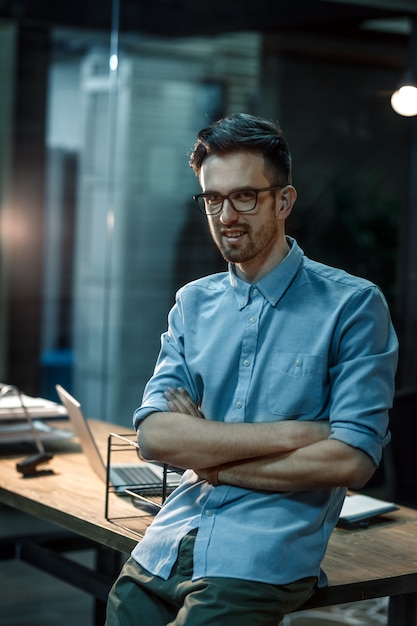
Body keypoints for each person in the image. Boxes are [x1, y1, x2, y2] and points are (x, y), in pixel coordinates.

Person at [105, 113, 398, 626]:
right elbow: (154, 435)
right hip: (167, 542)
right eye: (212, 199)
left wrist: (210, 458)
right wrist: (296, 432)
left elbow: (350, 460)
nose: (226, 215)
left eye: (244, 196)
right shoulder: (192, 304)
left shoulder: (351, 306)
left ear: (283, 201)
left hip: (261, 558)